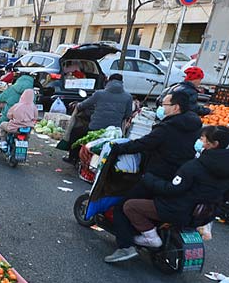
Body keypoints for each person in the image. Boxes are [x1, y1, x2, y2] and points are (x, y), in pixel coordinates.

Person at [105, 126, 229, 262]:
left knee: (129, 205)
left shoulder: (195, 166)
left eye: (202, 139)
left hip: (177, 209)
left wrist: (149, 179)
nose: (199, 141)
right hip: (203, 215)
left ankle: (151, 238)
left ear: (213, 144)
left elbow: (172, 189)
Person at [109, 89, 202, 181]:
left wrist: (115, 148)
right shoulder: (194, 124)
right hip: (179, 172)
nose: (161, 108)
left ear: (175, 108)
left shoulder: (167, 127)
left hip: (159, 173)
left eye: (164, 105)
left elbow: (144, 143)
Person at [64, 74, 134, 163]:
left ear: (109, 81)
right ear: (122, 83)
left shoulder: (99, 94)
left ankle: (72, 158)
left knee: (76, 133)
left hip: (95, 128)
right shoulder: (128, 97)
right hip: (114, 131)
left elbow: (82, 105)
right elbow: (128, 114)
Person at [0, 74, 35, 159]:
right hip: (27, 126)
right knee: (27, 135)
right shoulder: (31, 94)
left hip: (11, 121)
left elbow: (0, 98)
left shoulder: (13, 91)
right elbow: (35, 115)